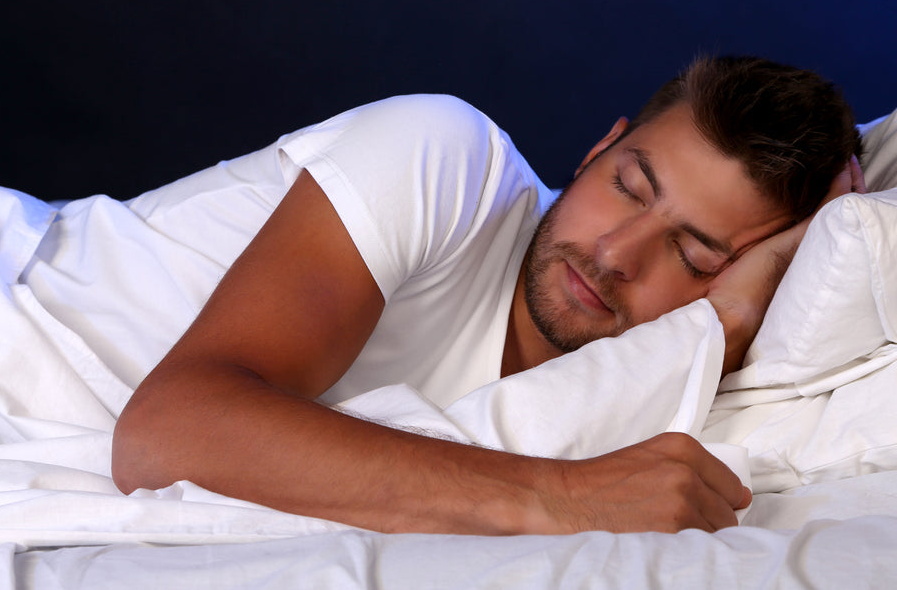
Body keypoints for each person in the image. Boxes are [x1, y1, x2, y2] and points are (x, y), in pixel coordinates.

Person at [107, 56, 863, 535]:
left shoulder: (646, 378)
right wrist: (561, 497)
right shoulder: (443, 154)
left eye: (693, 254)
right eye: (626, 187)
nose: (613, 253)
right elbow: (166, 431)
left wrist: (731, 314)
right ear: (599, 147)